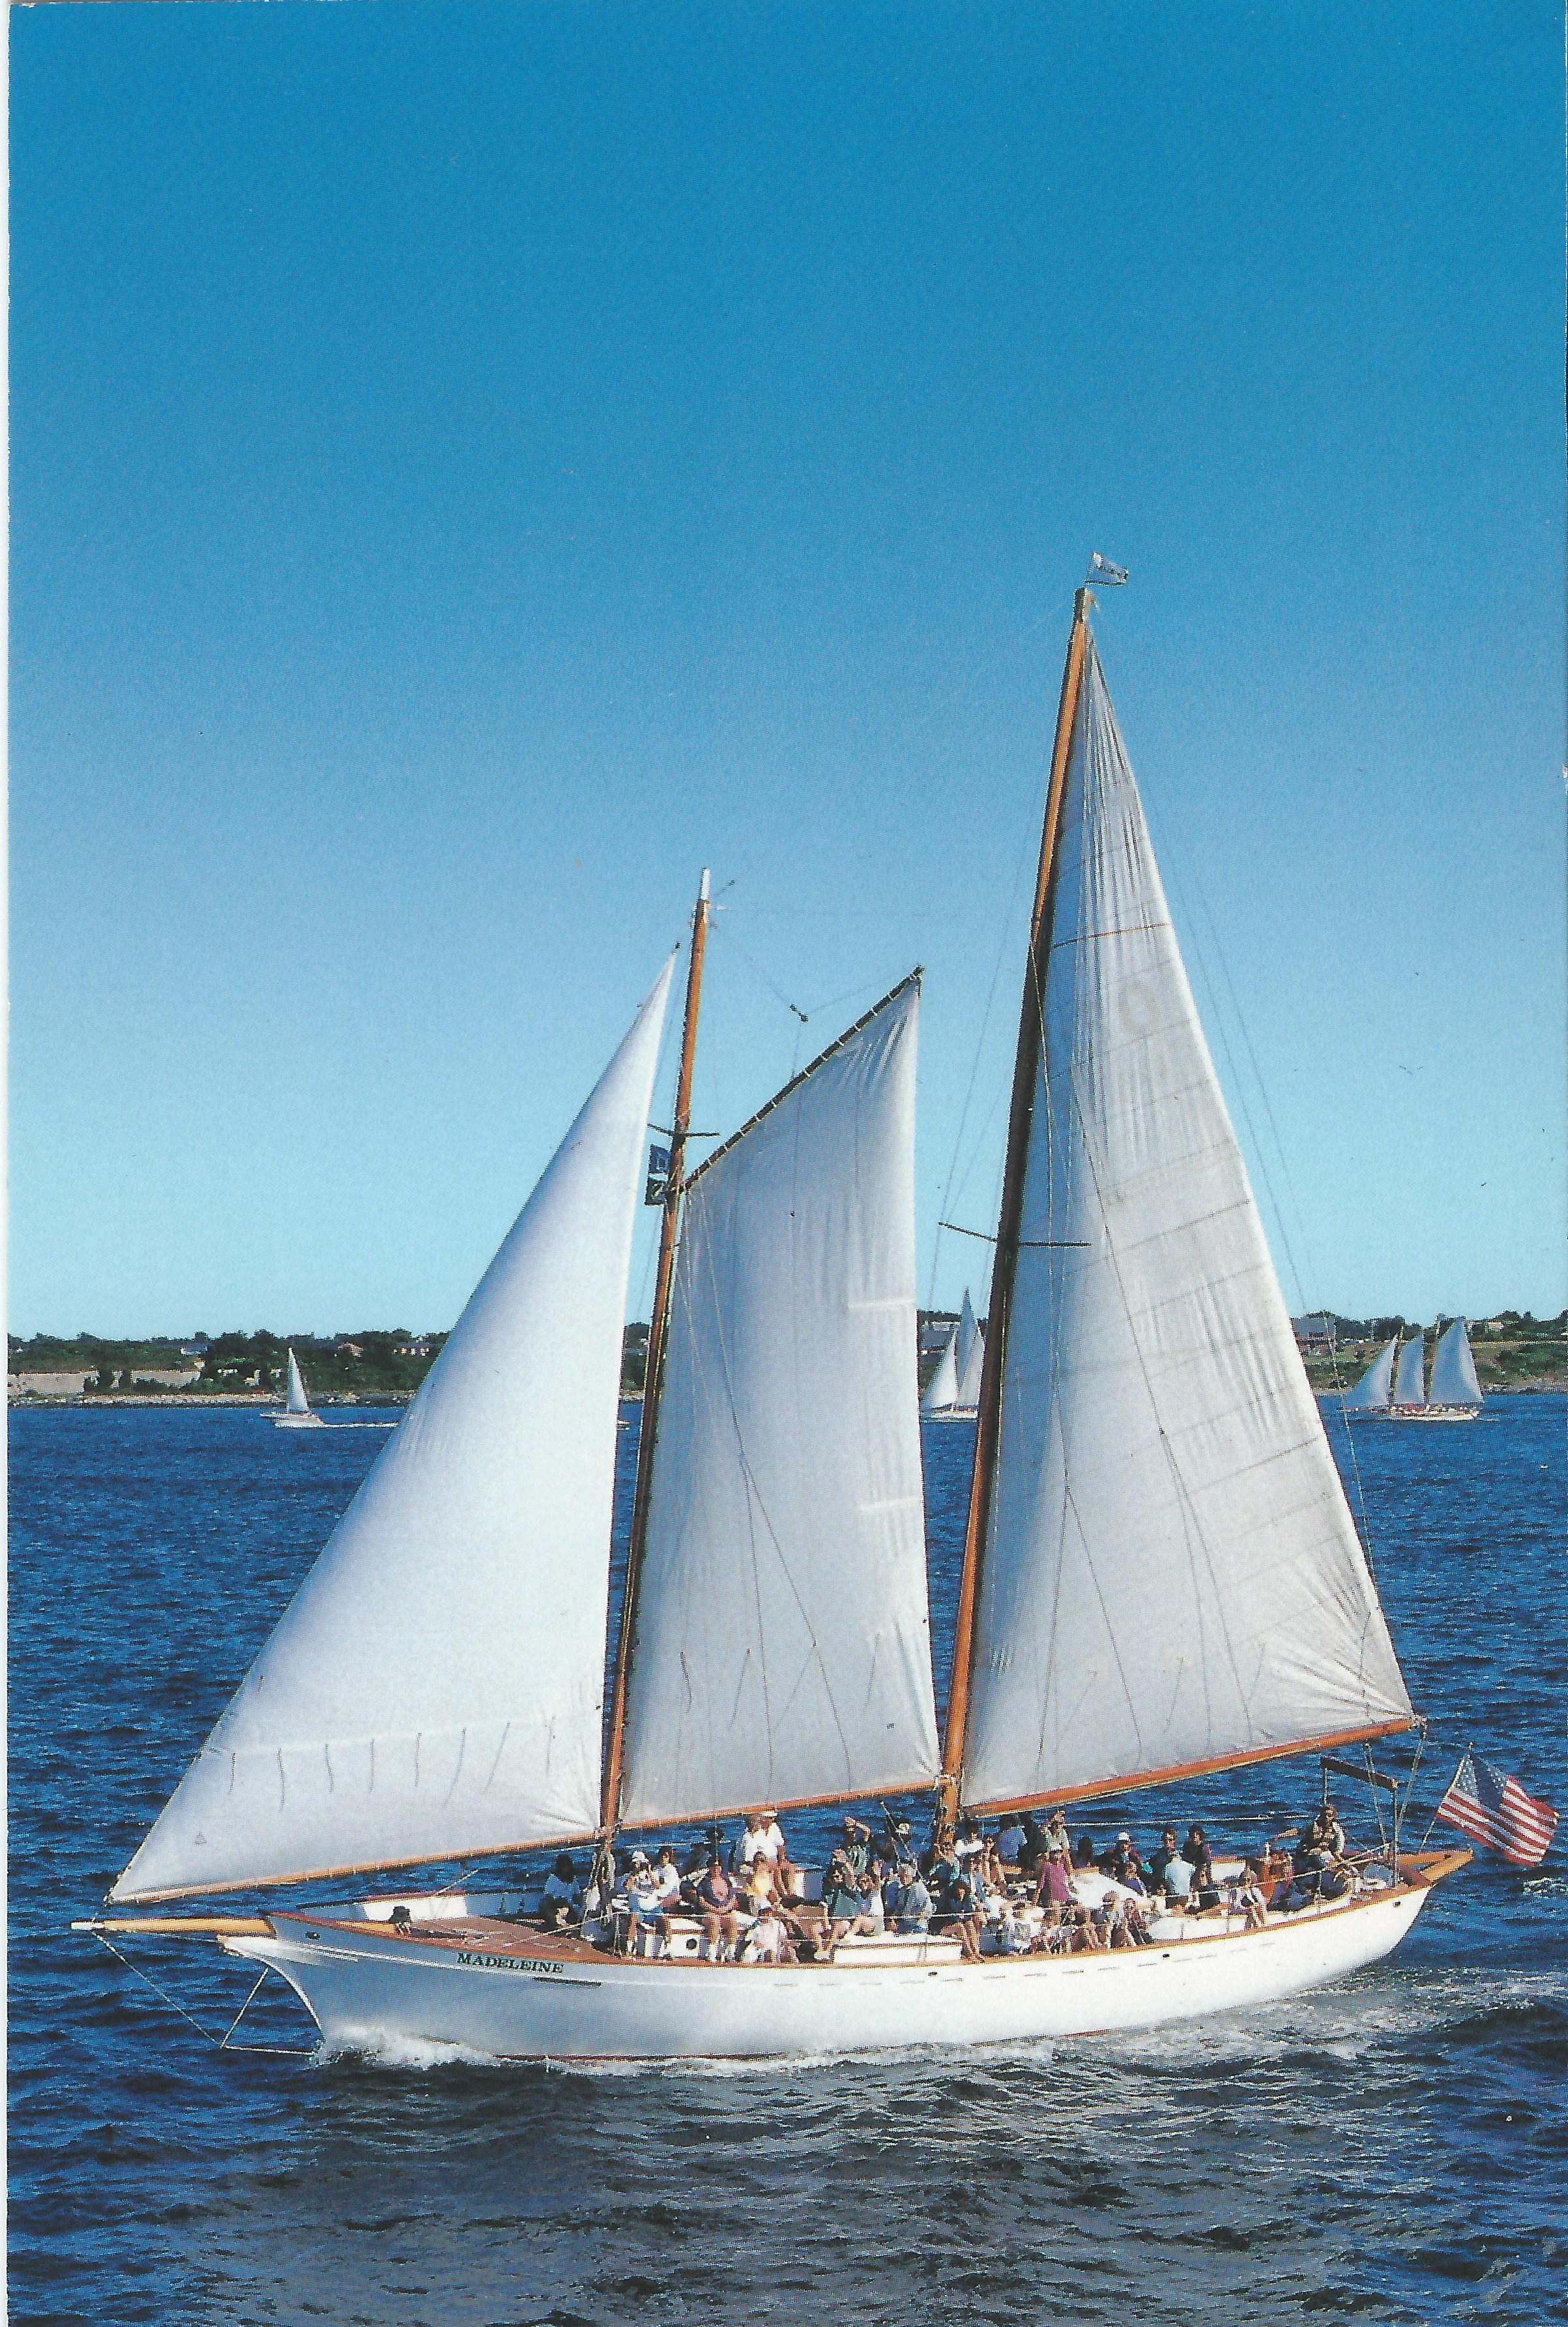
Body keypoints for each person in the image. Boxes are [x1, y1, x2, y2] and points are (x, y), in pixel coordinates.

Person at [693, 1857, 746, 1959]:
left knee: (732, 1920)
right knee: (714, 1920)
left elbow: (733, 1898)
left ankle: (731, 1952)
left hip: (724, 1911)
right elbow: (701, 1901)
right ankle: (711, 1952)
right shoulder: (704, 1883)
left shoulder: (726, 1881)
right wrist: (715, 1910)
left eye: (718, 1867)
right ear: (710, 1868)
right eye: (714, 1867)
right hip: (709, 1912)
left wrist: (725, 1908)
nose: (716, 1870)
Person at [622, 1852, 668, 1954]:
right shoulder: (631, 1876)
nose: (636, 1865)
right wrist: (635, 1874)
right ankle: (628, 1948)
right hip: (639, 1909)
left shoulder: (653, 1874)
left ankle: (668, 1949)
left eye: (637, 1863)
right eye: (634, 1864)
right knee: (633, 1919)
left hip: (653, 1908)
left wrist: (649, 1872)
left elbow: (658, 1886)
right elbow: (627, 1887)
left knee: (665, 1921)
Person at [539, 1852, 581, 1931]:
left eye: (567, 1865)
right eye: (564, 1866)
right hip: (556, 1906)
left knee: (576, 1915)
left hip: (569, 1907)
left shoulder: (573, 1878)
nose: (566, 1868)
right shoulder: (553, 1878)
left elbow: (576, 1895)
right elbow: (548, 1897)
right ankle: (555, 1921)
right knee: (544, 1904)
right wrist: (558, 1902)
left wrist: (583, 1904)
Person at [893, 1862, 933, 1934]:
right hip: (904, 1925)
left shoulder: (919, 1888)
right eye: (902, 1877)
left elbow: (927, 1910)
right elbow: (899, 1908)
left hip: (917, 1926)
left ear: (912, 1876)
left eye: (907, 1876)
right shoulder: (902, 1891)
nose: (904, 1879)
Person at [1237, 1859, 1268, 1931]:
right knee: (1251, 1910)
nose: (1246, 1882)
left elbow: (1262, 1902)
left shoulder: (1255, 1890)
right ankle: (1259, 1929)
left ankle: (1264, 1926)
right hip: (1245, 1910)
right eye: (1244, 1880)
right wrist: (1246, 1909)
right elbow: (1236, 1905)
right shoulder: (1238, 1891)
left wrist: (1257, 1905)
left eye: (1248, 1880)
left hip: (1256, 1911)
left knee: (1259, 1908)